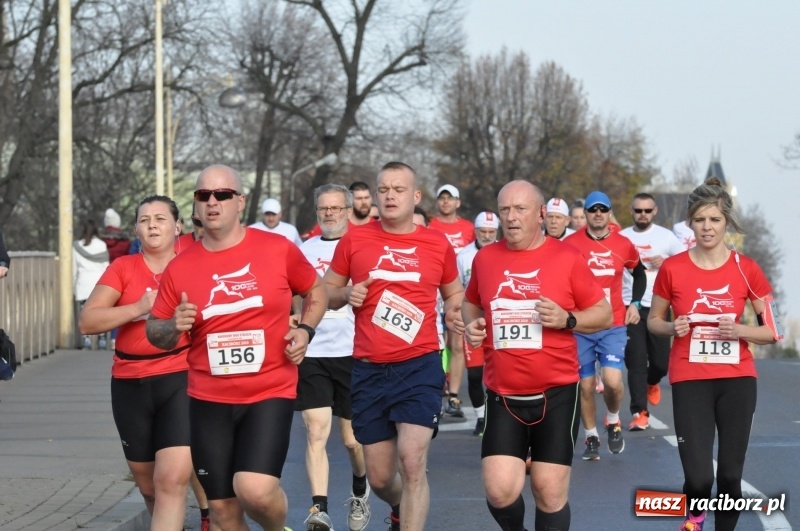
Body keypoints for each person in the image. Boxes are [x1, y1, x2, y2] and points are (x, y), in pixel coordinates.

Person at [146, 165, 327, 531]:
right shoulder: (180, 267)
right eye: (203, 196)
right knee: (225, 512)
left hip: (268, 392)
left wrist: (305, 330)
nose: (212, 202)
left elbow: (316, 291)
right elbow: (155, 331)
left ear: (240, 202)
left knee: (255, 490)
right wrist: (171, 325)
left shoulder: (277, 249)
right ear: (196, 206)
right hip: (207, 400)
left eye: (222, 195)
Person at [462, 180, 611, 531]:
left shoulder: (567, 258)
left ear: (541, 213)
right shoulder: (485, 259)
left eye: (520, 209)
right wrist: (473, 325)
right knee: (499, 491)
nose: (511, 218)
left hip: (556, 394)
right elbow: (470, 303)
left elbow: (603, 313)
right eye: (505, 210)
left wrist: (567, 319)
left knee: (548, 490)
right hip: (503, 394)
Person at [323, 162, 464, 531]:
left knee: (413, 461)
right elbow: (325, 292)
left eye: (398, 190)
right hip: (369, 368)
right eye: (383, 189)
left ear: (415, 197)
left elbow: (454, 292)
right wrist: (344, 293)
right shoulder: (355, 239)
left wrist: (453, 311)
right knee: (382, 477)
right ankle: (400, 507)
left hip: (419, 364)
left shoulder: (436, 243)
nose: (389, 196)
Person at [648, 177, 778, 531]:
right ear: (690, 222)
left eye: (715, 220)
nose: (707, 227)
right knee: (701, 477)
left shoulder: (746, 268)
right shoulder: (673, 268)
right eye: (700, 219)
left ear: (726, 223)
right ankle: (695, 514)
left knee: (731, 476)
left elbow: (771, 331)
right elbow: (653, 321)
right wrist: (671, 327)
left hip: (737, 378)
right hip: (690, 377)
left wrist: (740, 331)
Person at [79, 195, 193, 530]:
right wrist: (139, 307)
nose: (153, 225)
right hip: (130, 383)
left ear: (178, 226)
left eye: (160, 218)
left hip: (181, 377)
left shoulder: (193, 265)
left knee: (170, 480)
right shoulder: (122, 268)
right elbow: (88, 322)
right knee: (148, 486)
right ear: (135, 230)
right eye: (145, 220)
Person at [296, 184, 371, 531]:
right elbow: (292, 296)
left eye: (336, 208)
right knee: (315, 431)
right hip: (313, 351)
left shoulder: (364, 245)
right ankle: (319, 509)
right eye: (323, 208)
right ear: (317, 212)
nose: (329, 214)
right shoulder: (303, 250)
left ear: (348, 210)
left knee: (353, 441)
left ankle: (359, 489)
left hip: (353, 351)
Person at [563, 191, 646, 460]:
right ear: (584, 215)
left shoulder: (624, 245)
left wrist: (635, 302)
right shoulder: (570, 244)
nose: (598, 214)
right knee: (585, 386)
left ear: (610, 214)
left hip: (613, 324)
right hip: (581, 326)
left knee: (612, 380)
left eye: (603, 209)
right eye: (592, 210)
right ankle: (590, 437)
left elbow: (640, 272)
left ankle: (612, 419)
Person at [619, 193, 685, 431]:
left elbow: (687, 261)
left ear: (654, 211)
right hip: (630, 306)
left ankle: (653, 381)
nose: (643, 215)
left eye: (647, 211)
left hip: (659, 306)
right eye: (638, 211)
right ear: (632, 211)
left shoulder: (666, 237)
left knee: (660, 363)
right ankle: (639, 412)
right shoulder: (622, 237)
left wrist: (666, 260)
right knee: (635, 361)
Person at [429, 184, 475, 417]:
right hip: (432, 291)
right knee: (436, 345)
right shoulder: (430, 226)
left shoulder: (468, 228)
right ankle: (436, 389)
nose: (446, 202)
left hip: (457, 291)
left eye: (450, 198)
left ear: (458, 202)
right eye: (442, 198)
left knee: (456, 345)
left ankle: (454, 395)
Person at [456, 211, 499, 437]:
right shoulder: (464, 255)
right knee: (474, 375)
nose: (487, 236)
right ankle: (481, 417)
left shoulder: (504, 252)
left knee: (499, 372)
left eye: (492, 232)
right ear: (476, 231)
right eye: (483, 231)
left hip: (497, 322)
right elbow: (456, 289)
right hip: (473, 320)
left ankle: (497, 414)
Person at [72, 219, 109, 349]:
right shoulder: (102, 245)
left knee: (84, 313)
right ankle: (102, 339)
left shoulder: (77, 246)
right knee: (101, 312)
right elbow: (106, 267)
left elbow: (74, 269)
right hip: (99, 284)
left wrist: (73, 286)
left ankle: (86, 339)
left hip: (83, 283)